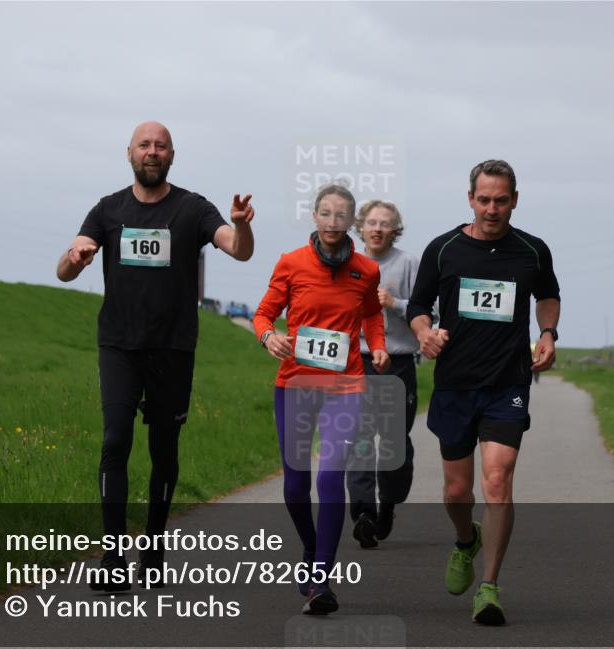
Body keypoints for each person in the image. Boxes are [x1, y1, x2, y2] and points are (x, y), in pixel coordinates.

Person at [56, 121, 255, 591]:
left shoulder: (193, 208)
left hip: (172, 346)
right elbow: (64, 271)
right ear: (129, 153)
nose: (152, 151)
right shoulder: (108, 210)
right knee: (115, 441)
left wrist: (242, 226)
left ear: (171, 155)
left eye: (160, 146)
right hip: (119, 345)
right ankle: (112, 557)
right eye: (144, 145)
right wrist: (75, 256)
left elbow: (239, 251)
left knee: (164, 450)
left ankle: (154, 547)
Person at [406, 159, 560, 625]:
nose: (492, 209)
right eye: (485, 200)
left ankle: (489, 587)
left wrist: (548, 333)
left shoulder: (532, 251)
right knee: (457, 492)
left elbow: (547, 295)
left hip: (506, 383)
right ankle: (464, 539)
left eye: (501, 200)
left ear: (515, 201)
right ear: (470, 199)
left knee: (497, 481)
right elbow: (418, 305)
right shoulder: (443, 249)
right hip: (455, 384)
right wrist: (424, 334)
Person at [252, 183, 389, 615]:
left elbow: (371, 314)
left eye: (341, 215)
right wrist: (268, 337)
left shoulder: (366, 270)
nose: (332, 222)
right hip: (295, 384)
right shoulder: (291, 263)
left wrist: (378, 345)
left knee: (330, 478)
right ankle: (311, 547)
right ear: (314, 217)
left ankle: (320, 580)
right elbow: (263, 314)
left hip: (345, 388)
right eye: (325, 213)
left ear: (352, 222)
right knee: (295, 485)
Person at [344, 200, 419, 548]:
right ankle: (363, 513)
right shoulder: (347, 264)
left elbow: (430, 310)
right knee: (359, 438)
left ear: (395, 230)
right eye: (371, 222)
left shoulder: (408, 264)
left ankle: (387, 504)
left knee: (393, 442)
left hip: (397, 362)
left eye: (385, 223)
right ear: (360, 227)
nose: (377, 228)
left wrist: (395, 303)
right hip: (355, 361)